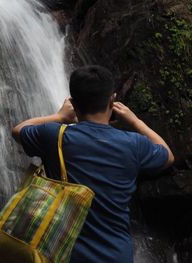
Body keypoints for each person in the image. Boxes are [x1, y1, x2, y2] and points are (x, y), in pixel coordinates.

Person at [12, 65, 175, 263]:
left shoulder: (54, 136)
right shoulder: (134, 144)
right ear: (112, 100)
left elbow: (19, 130)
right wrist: (135, 121)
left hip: (62, 254)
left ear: (72, 103)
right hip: (116, 256)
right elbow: (168, 156)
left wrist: (59, 117)